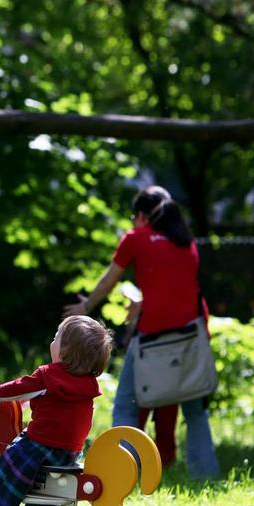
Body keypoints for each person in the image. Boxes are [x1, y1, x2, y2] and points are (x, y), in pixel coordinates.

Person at [64, 187, 218, 478]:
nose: (133, 222)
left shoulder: (136, 239)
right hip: (189, 340)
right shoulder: (187, 242)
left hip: (152, 341)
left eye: (135, 215)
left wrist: (86, 305)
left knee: (125, 405)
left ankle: (119, 473)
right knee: (196, 412)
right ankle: (206, 475)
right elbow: (175, 291)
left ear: (145, 216)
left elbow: (110, 279)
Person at [0, 315, 113, 506]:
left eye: (57, 336)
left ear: (66, 350)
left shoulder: (48, 375)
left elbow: (20, 387)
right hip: (71, 452)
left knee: (4, 468)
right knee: (47, 479)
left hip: (40, 445)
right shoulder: (89, 383)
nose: (53, 340)